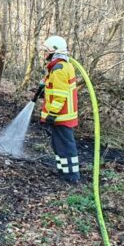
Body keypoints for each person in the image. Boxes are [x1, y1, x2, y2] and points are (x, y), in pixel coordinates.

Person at [37, 35, 80, 183]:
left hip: (61, 116)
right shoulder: (58, 66)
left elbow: (60, 95)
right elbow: (56, 89)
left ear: (53, 51)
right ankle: (63, 172)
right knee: (59, 145)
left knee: (65, 146)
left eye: (46, 51)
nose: (44, 54)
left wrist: (52, 114)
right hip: (60, 116)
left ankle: (71, 176)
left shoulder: (59, 68)